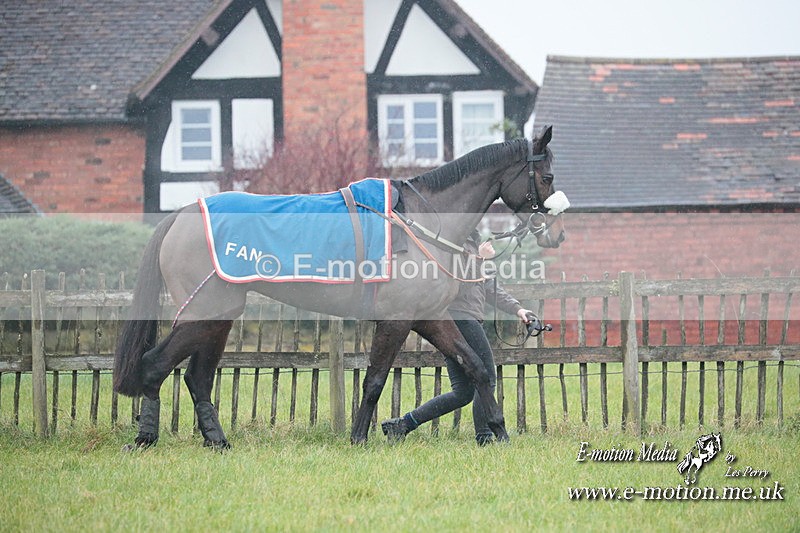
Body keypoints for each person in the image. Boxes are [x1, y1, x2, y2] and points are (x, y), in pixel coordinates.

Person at [381, 229, 534, 445]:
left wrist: (519, 310)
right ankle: (485, 437)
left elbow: (488, 286)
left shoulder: (472, 241)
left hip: (464, 319)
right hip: (458, 319)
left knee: (463, 392)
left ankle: (402, 425)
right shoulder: (451, 240)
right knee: (486, 376)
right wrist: (479, 258)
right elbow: (454, 279)